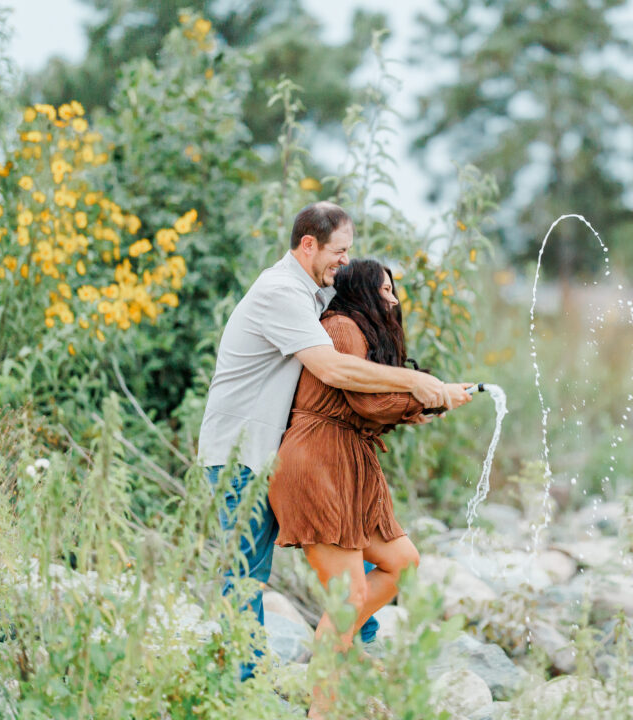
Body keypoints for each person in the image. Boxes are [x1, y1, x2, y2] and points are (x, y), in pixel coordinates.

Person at [197, 202, 463, 678]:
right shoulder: (281, 292)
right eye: (339, 251)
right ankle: (240, 691)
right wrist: (411, 383)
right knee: (245, 577)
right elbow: (334, 369)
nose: (345, 261)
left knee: (345, 567)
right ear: (308, 245)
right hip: (240, 451)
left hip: (274, 452)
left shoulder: (312, 294)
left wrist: (409, 403)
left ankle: (350, 644)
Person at [267, 259, 471, 719]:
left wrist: (434, 400)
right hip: (316, 462)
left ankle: (337, 653)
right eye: (385, 290)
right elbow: (368, 399)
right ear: (361, 291)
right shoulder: (341, 328)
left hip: (346, 461)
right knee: (349, 597)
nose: (394, 300)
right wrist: (425, 393)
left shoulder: (356, 330)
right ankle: (323, 706)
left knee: (403, 563)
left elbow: (373, 405)